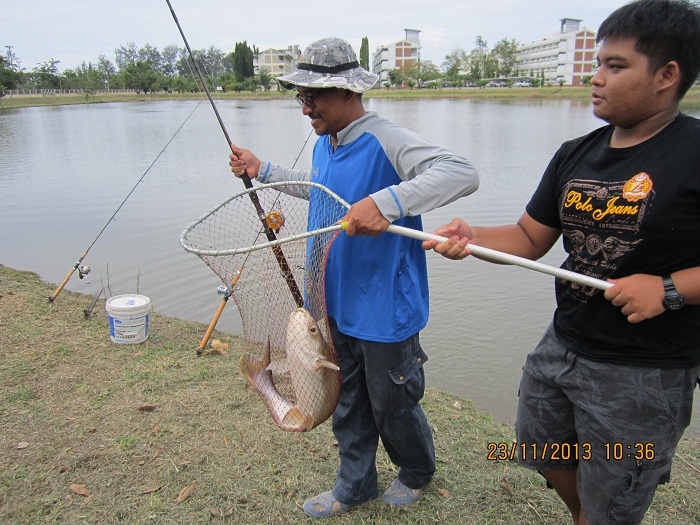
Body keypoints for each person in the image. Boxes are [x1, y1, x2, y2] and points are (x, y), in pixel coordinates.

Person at [423, 1, 700, 523]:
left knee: (617, 485)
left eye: (615, 66)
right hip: (563, 345)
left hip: (643, 372)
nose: (595, 78)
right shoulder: (576, 152)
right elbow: (529, 238)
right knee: (539, 446)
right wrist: (473, 235)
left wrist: (666, 289)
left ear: (667, 76)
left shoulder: (693, 152)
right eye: (598, 63)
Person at [228, 37, 479, 518]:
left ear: (346, 92)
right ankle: (355, 484)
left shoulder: (387, 139)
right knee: (346, 403)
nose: (305, 108)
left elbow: (461, 172)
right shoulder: (328, 144)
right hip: (332, 303)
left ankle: (416, 470)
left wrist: (388, 203)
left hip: (385, 309)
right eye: (300, 98)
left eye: (312, 98)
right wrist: (264, 170)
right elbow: (321, 192)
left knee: (393, 403)